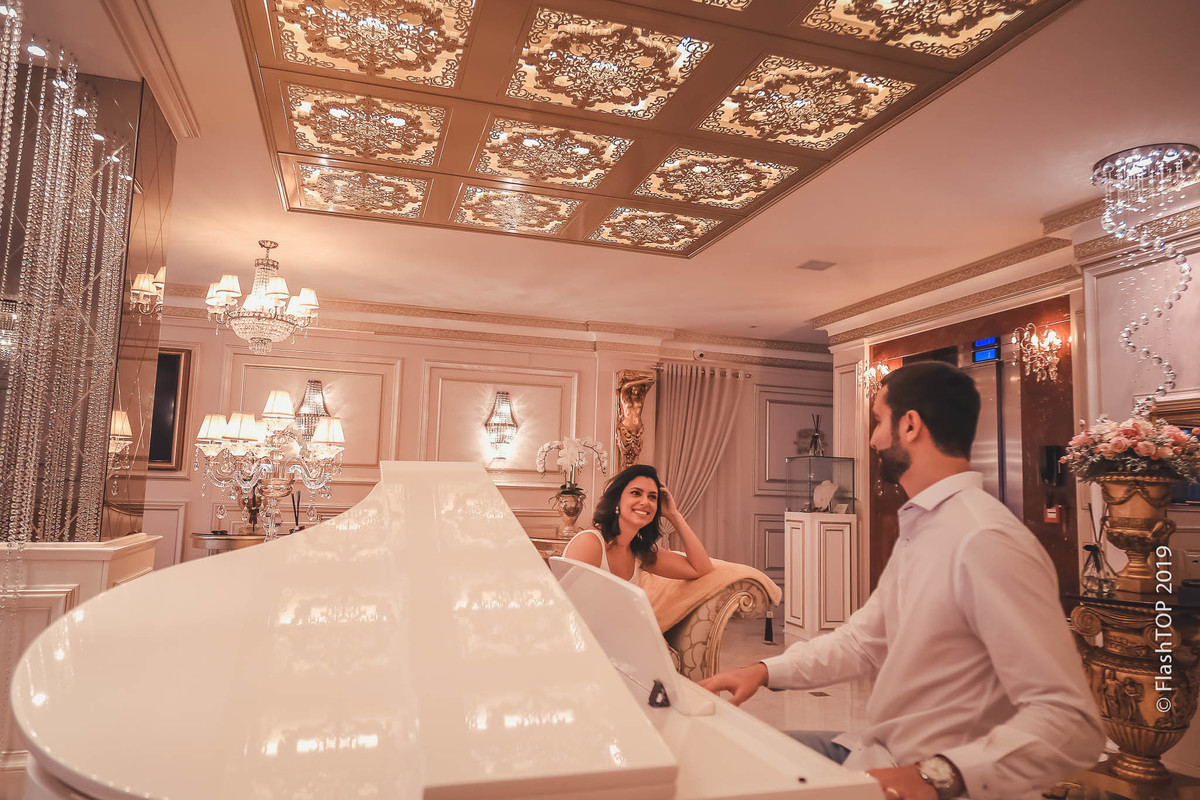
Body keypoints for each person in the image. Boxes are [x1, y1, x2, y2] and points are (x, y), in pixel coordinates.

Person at [699, 361, 1104, 800]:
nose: (872, 439)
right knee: (713, 761)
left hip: (927, 778)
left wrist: (939, 775)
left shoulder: (985, 540)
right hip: (871, 752)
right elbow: (861, 641)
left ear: (909, 425)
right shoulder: (925, 527)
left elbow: (1070, 722)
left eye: (877, 421)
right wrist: (762, 671)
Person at [562, 464, 713, 583]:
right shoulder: (590, 543)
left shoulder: (639, 552)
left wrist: (674, 515)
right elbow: (569, 608)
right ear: (617, 499)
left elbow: (701, 568)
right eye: (636, 493)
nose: (645, 502)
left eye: (652, 497)